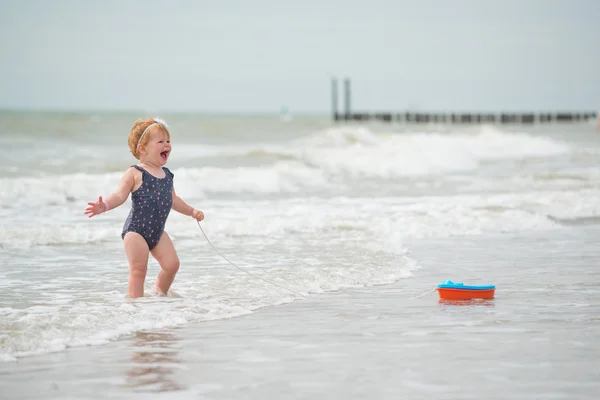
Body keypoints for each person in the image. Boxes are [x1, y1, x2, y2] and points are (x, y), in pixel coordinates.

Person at [85, 117, 204, 298]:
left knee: (172, 265)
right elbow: (119, 195)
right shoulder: (134, 173)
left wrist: (192, 211)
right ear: (142, 149)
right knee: (139, 270)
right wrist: (105, 206)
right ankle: (136, 306)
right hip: (136, 231)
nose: (167, 145)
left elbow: (174, 200)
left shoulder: (167, 175)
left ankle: (159, 294)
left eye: (168, 141)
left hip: (157, 232)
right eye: (161, 142)